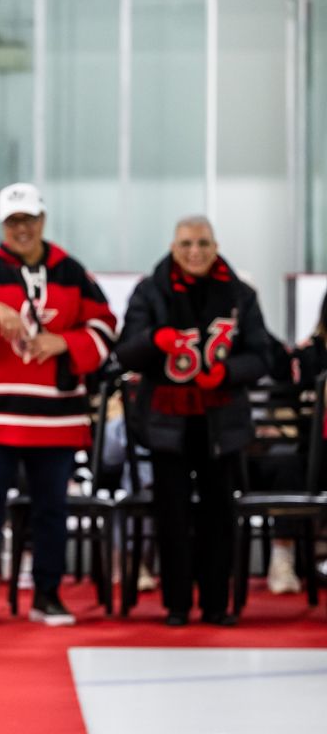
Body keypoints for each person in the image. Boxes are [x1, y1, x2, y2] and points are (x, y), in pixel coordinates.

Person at [0, 182, 117, 627]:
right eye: (13, 221)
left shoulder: (72, 271)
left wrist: (65, 341)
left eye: (29, 219)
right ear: (4, 226)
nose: (22, 228)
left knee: (51, 509)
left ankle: (48, 594)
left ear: (42, 220)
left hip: (56, 416)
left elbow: (105, 331)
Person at [116, 216, 271, 625]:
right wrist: (154, 341)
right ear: (173, 246)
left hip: (222, 422)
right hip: (167, 422)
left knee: (220, 513)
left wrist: (229, 372)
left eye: (203, 242)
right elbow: (125, 352)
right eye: (186, 243)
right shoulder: (150, 291)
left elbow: (263, 355)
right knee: (172, 513)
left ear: (216, 245)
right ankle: (178, 605)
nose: (195, 251)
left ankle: (217, 604)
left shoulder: (241, 294)